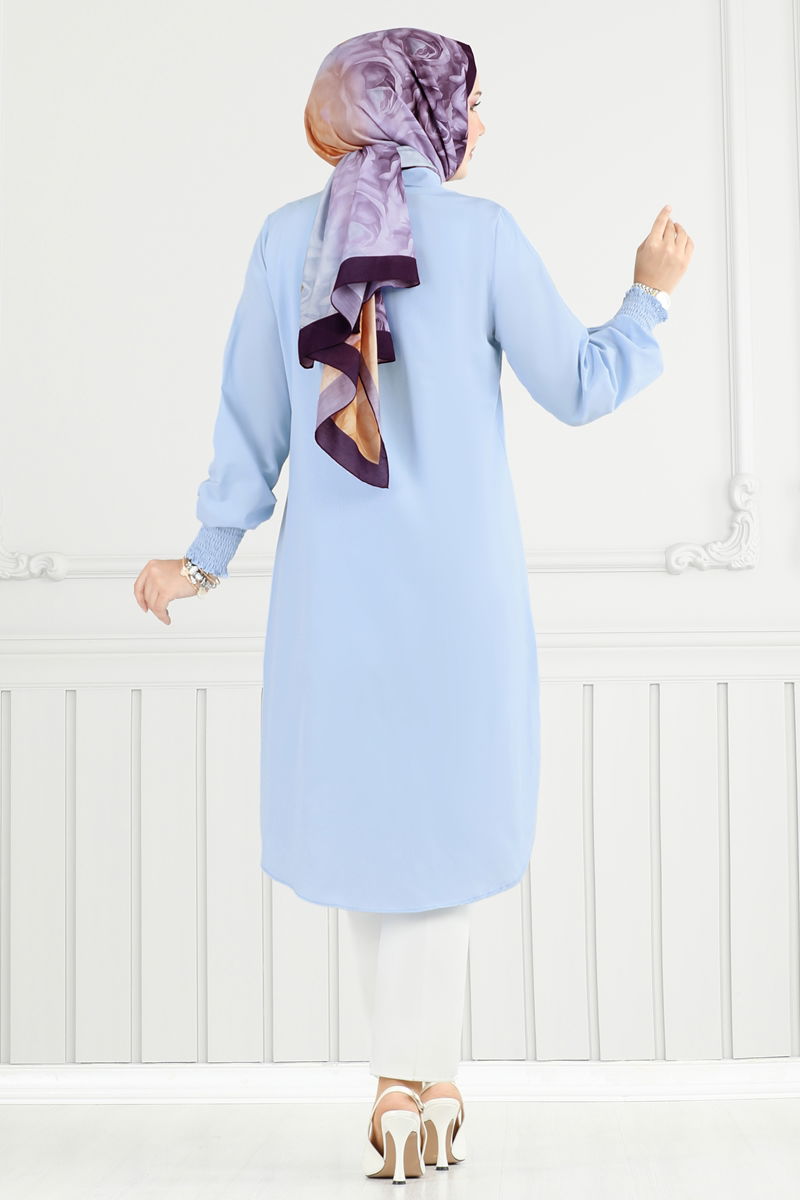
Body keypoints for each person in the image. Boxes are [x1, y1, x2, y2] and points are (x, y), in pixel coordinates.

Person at [133, 26, 693, 1181]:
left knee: (370, 829)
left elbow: (251, 418)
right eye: (470, 102)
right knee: (435, 827)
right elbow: (579, 385)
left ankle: (409, 1085)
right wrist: (647, 297)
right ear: (424, 110)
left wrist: (204, 557)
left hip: (332, 597)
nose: (480, 123)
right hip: (456, 592)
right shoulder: (479, 235)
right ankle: (413, 1084)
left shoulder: (286, 238)